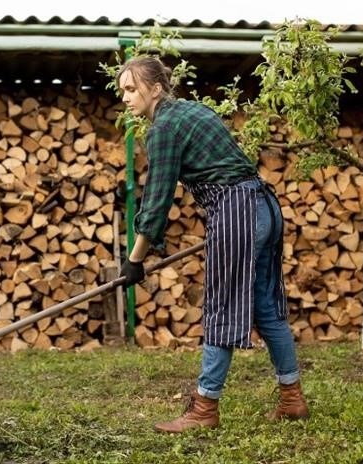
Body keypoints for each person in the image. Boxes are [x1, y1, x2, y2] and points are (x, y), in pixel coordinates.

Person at [116, 56, 309, 433]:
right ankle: (292, 399)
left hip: (236, 213)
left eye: (130, 88)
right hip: (263, 206)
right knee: (266, 306)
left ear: (155, 88)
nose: (124, 97)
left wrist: (134, 259)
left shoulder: (163, 129)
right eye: (121, 89)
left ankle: (205, 407)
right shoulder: (192, 110)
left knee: (221, 308)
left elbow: (156, 201)